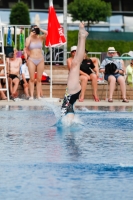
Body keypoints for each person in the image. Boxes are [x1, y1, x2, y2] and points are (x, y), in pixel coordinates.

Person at [61, 22, 88, 119]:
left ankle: (82, 36)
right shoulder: (69, 115)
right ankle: (82, 36)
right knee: (75, 64)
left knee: (75, 64)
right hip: (72, 93)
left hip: (71, 93)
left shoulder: (67, 114)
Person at [25, 25, 47, 100]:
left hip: (40, 59)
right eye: (33, 29)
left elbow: (47, 34)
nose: (34, 31)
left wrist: (40, 29)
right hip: (32, 59)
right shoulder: (29, 38)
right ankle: (31, 95)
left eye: (35, 29)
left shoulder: (40, 38)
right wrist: (30, 35)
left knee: (39, 79)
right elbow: (26, 45)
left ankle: (38, 95)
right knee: (31, 78)